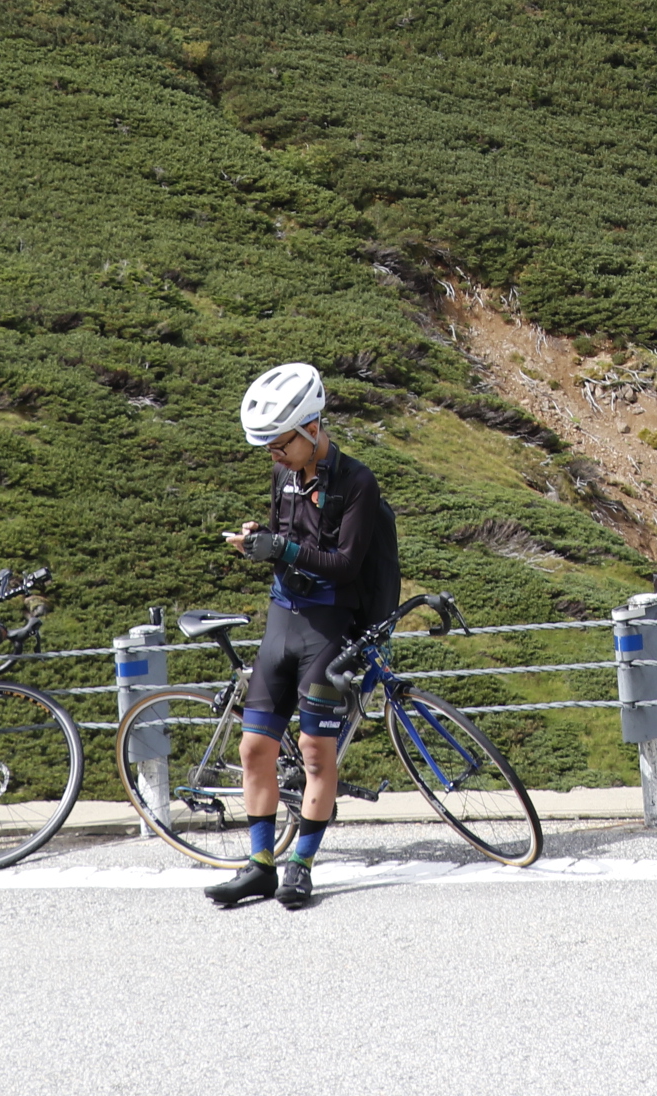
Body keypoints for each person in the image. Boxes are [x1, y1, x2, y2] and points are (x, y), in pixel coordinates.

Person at [208, 361, 380, 911]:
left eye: (281, 445)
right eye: (268, 448)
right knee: (254, 748)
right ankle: (260, 864)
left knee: (314, 753)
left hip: (328, 625)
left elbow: (346, 564)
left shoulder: (357, 483)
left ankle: (301, 865)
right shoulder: (284, 474)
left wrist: (281, 549)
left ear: (311, 428)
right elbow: (287, 536)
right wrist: (261, 539)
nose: (274, 456)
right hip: (283, 619)